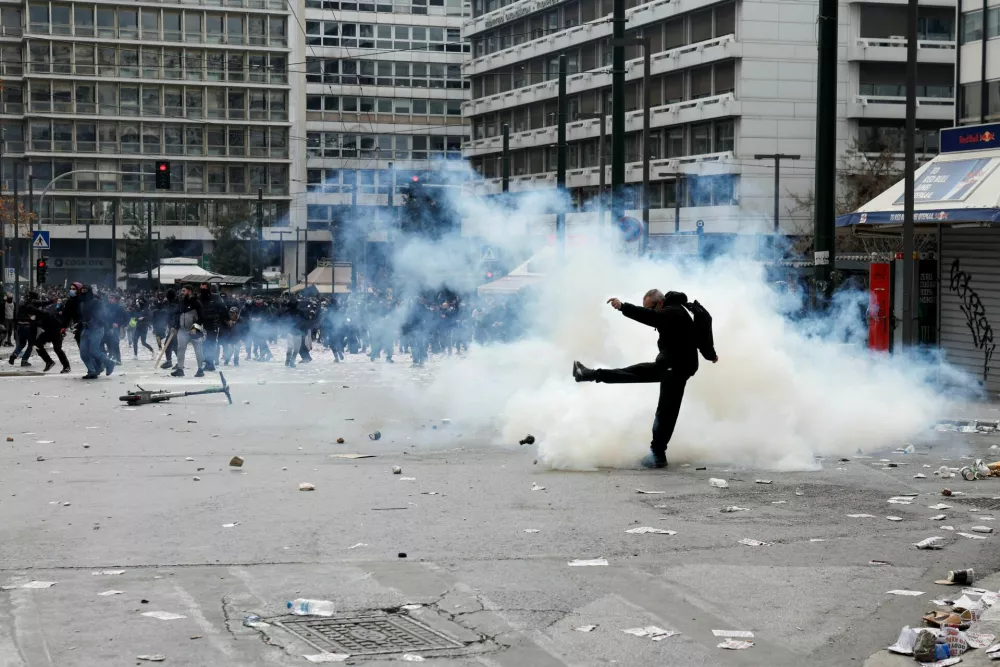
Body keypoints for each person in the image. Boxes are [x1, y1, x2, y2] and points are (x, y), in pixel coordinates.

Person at [572, 289, 718, 469]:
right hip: (673, 366)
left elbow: (650, 317)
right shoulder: (678, 310)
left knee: (665, 410)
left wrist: (623, 307)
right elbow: (700, 338)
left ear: (659, 303)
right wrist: (710, 355)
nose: (653, 312)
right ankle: (589, 374)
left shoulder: (672, 312)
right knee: (659, 402)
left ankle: (657, 455)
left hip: (675, 368)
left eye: (652, 308)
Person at [61, 283, 115, 379]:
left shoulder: (96, 302)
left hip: (97, 329)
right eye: (82, 291)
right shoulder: (81, 303)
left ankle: (109, 362)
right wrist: (78, 323)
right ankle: (92, 371)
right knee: (83, 353)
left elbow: (102, 315)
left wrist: (105, 327)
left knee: (94, 351)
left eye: (85, 291)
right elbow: (79, 316)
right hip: (85, 329)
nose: (83, 293)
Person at [172, 284, 205, 377]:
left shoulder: (196, 303)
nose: (181, 293)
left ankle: (200, 369)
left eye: (183, 291)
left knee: (198, 350)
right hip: (182, 331)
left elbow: (202, 317)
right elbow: (177, 315)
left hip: (195, 331)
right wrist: (175, 326)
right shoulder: (181, 302)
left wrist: (195, 328)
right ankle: (180, 369)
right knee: (180, 349)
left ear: (189, 291)